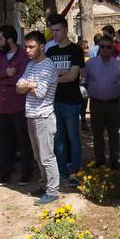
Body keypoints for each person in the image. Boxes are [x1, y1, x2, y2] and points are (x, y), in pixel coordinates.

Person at [16, 30, 61, 205]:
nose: (27, 50)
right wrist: (29, 85)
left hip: (44, 116)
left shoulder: (48, 66)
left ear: (41, 47)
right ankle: (44, 185)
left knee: (47, 156)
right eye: (26, 47)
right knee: (38, 155)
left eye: (31, 47)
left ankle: (53, 190)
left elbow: (41, 93)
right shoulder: (30, 65)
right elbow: (18, 88)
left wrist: (28, 85)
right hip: (31, 115)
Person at [0, 26, 33, 185]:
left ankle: (26, 172)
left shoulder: (23, 56)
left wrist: (3, 80)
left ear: (10, 39)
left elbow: (22, 79)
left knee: (23, 140)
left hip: (18, 105)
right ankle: (5, 172)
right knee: (3, 141)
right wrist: (5, 73)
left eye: (0, 39)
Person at [45, 15, 86, 186]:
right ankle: (62, 171)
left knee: (73, 138)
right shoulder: (50, 52)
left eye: (57, 30)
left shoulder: (75, 50)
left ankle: (74, 171)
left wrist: (56, 77)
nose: (55, 34)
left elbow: (72, 76)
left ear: (65, 29)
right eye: (52, 31)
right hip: (54, 101)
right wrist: (59, 76)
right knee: (58, 139)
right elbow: (46, 76)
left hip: (71, 101)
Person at [83, 34, 120, 167]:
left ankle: (114, 162)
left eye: (108, 47)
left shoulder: (118, 65)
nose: (105, 49)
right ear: (99, 47)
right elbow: (86, 82)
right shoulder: (90, 64)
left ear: (113, 48)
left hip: (113, 105)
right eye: (102, 46)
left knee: (114, 135)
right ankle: (99, 162)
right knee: (97, 135)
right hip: (96, 104)